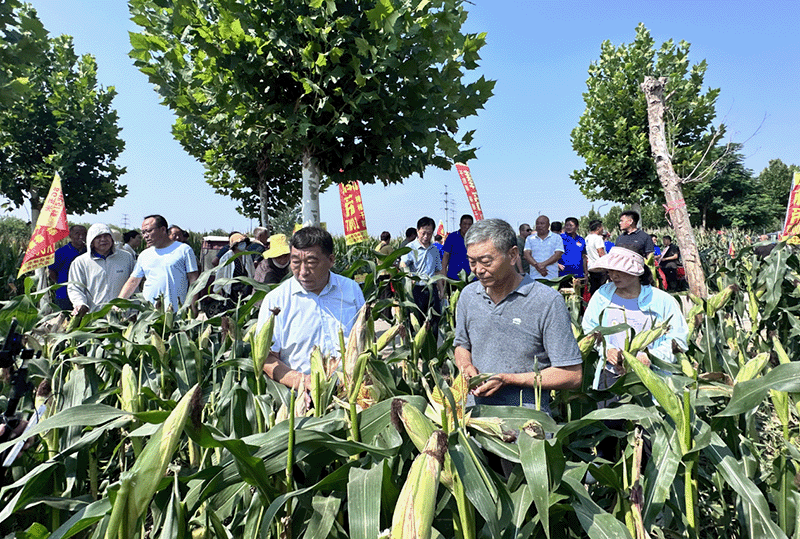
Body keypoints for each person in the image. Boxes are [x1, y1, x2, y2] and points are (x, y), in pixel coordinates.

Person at [454, 218, 582, 415]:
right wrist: (466, 366)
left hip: (527, 427)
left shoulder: (547, 301)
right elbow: (462, 345)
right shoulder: (468, 296)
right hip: (474, 421)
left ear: (513, 255)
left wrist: (508, 379)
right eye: (472, 262)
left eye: (486, 262)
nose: (478, 270)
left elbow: (571, 375)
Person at [256, 226, 365, 393]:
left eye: (312, 262)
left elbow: (364, 338)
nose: (303, 272)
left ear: (331, 260)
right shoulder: (276, 300)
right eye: (296, 262)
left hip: (351, 390)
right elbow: (267, 358)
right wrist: (301, 381)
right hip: (302, 396)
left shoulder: (351, 290)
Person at [582, 246, 688, 391]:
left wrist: (650, 357)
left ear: (637, 272)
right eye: (610, 271)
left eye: (619, 271)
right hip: (610, 374)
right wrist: (607, 350)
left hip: (653, 376)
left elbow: (678, 339)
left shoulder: (662, 300)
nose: (614, 276)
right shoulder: (602, 295)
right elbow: (590, 328)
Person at [118, 215, 199, 310]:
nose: (145, 236)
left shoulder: (184, 250)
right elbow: (133, 281)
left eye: (149, 231)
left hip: (176, 312)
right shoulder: (144, 255)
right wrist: (118, 303)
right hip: (149, 313)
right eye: (143, 232)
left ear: (163, 229)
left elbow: (194, 279)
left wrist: (193, 306)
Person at [67, 223, 135, 315]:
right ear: (91, 240)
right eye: (98, 237)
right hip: (94, 317)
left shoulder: (126, 257)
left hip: (122, 316)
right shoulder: (81, 262)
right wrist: (80, 304)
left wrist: (134, 311)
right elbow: (75, 288)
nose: (103, 239)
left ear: (112, 238)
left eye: (107, 235)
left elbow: (134, 284)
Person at [400, 216, 445, 334]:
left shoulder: (434, 250)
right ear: (417, 231)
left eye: (429, 234)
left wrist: (441, 289)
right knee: (417, 324)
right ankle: (417, 351)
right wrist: (409, 277)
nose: (426, 237)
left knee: (434, 322)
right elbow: (403, 264)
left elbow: (437, 271)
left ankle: (431, 350)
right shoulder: (410, 248)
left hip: (432, 290)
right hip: (416, 290)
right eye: (423, 233)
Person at [49, 224, 87, 311]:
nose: (81, 236)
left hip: (84, 296)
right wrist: (61, 283)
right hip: (64, 295)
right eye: (77, 233)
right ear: (70, 236)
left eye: (84, 234)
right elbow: (52, 272)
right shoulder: (61, 252)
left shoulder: (89, 252)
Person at [213, 232, 255, 301]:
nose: (243, 244)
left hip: (246, 289)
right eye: (241, 243)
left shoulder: (247, 255)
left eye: (244, 242)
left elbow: (252, 271)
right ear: (235, 245)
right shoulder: (226, 257)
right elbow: (220, 274)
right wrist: (218, 289)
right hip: (231, 290)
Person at [524, 215, 564, 281]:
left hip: (552, 277)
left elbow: (558, 255)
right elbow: (526, 254)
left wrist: (542, 265)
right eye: (537, 223)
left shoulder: (557, 237)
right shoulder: (530, 238)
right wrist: (537, 266)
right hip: (534, 277)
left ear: (548, 225)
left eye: (542, 223)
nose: (539, 225)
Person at [442, 214, 474, 281]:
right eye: (464, 224)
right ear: (460, 225)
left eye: (469, 224)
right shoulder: (452, 237)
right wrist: (443, 275)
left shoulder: (475, 238)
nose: (467, 226)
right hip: (454, 278)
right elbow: (445, 256)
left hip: (472, 278)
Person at [558, 217, 587, 282]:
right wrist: (557, 264)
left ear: (577, 227)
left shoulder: (581, 240)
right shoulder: (560, 238)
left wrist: (586, 273)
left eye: (571, 225)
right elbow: (550, 253)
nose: (568, 227)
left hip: (578, 274)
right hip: (564, 275)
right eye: (566, 225)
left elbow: (584, 257)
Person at [585, 220, 607, 295]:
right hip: (600, 268)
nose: (603, 229)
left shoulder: (587, 238)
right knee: (601, 289)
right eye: (602, 227)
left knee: (593, 289)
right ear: (598, 228)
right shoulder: (598, 238)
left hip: (591, 267)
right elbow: (600, 252)